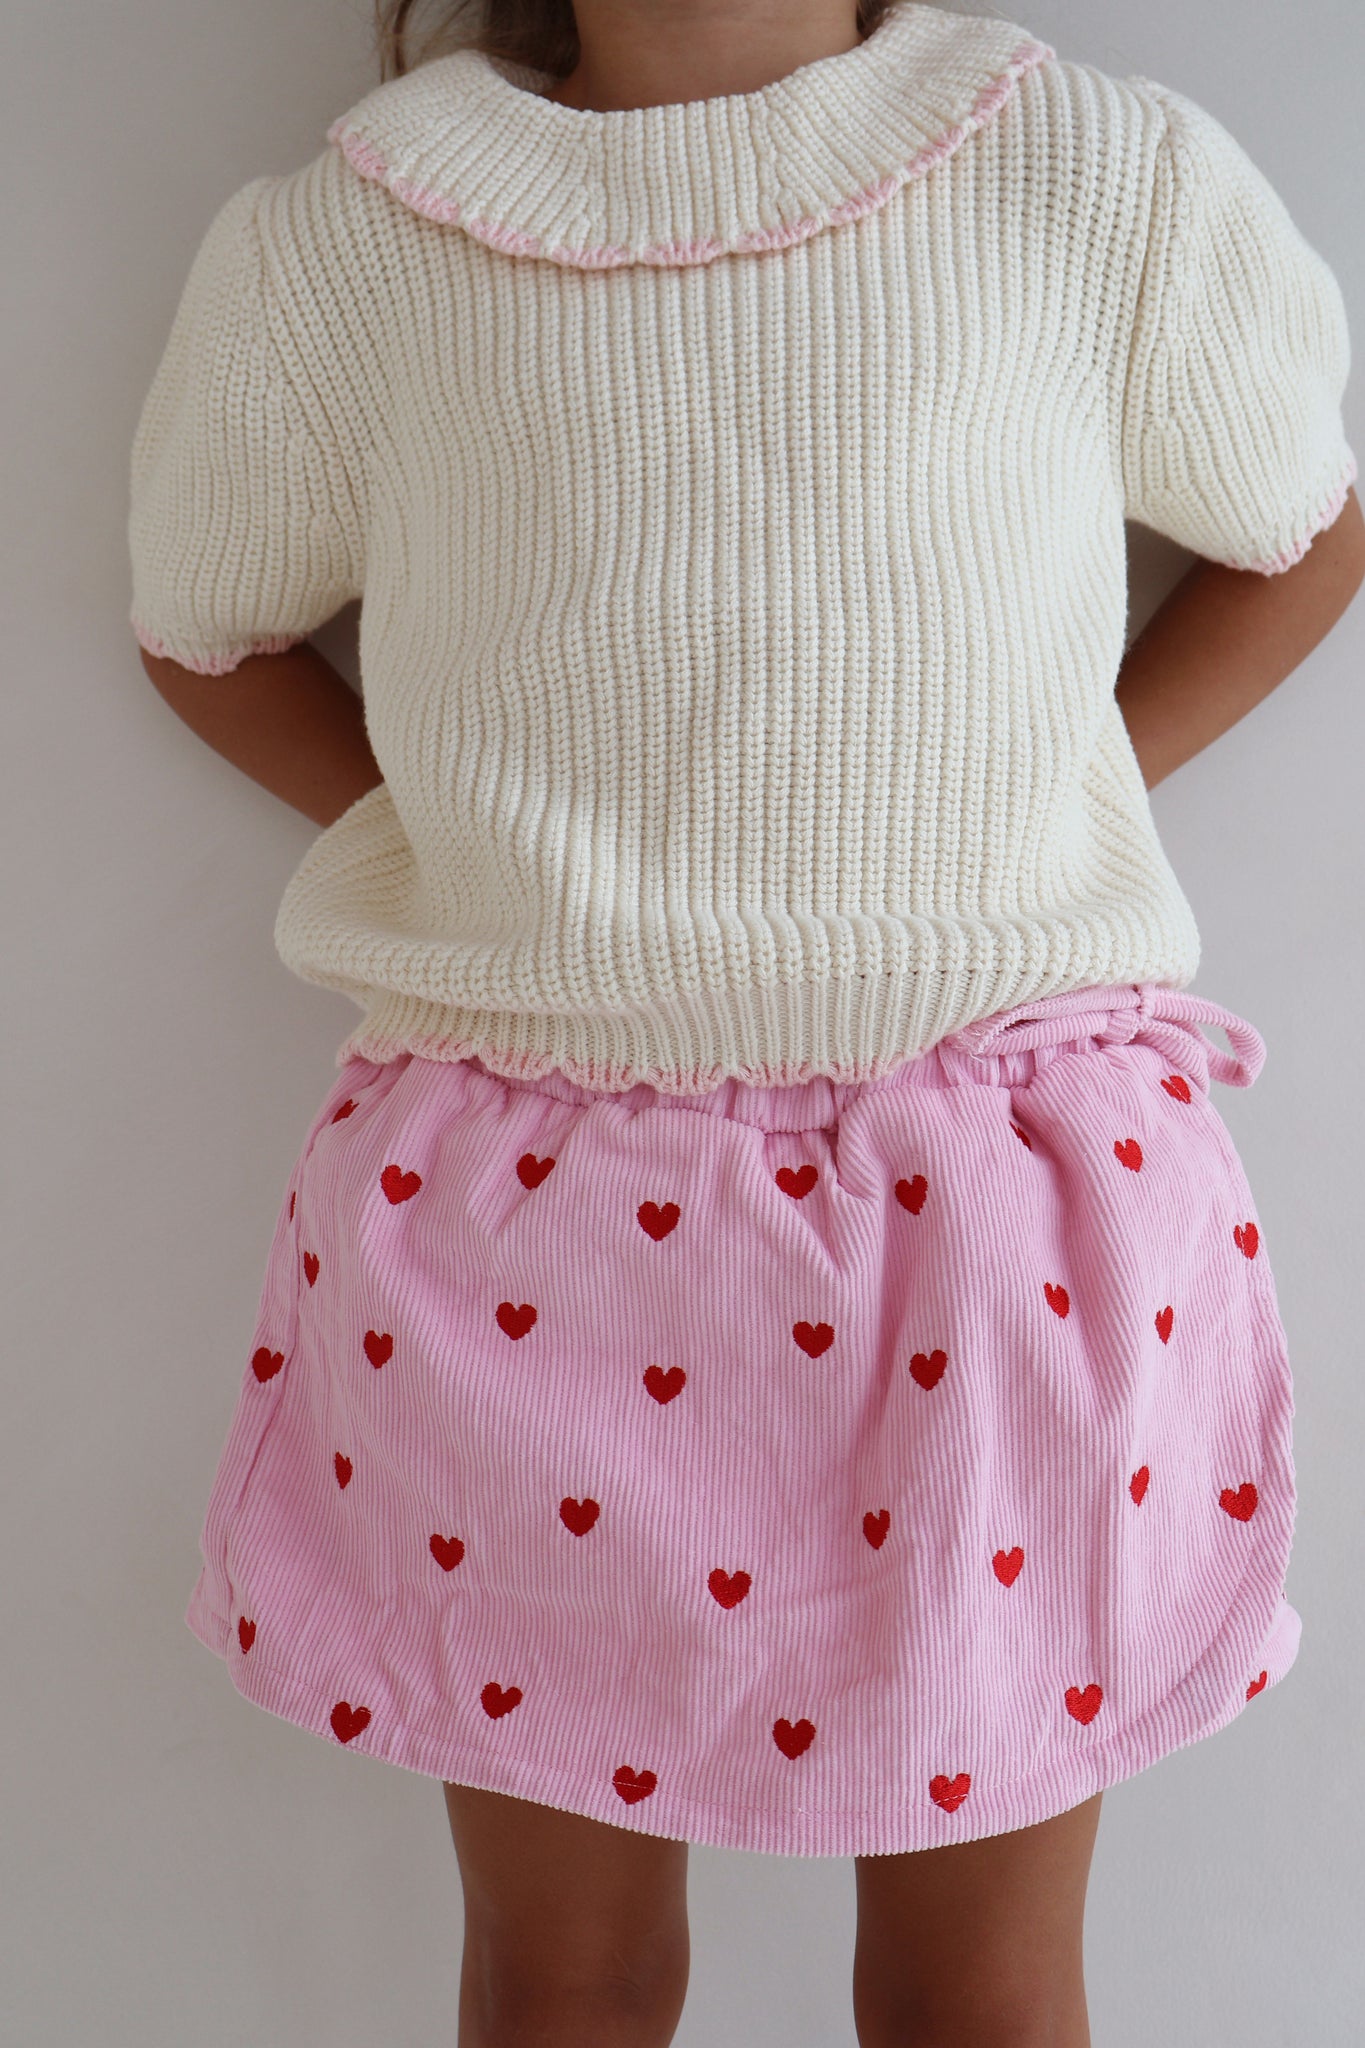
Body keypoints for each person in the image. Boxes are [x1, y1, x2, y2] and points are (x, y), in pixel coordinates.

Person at [127, 1, 1363, 2040]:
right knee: (567, 1988)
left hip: (993, 1220)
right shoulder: (351, 248)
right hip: (528, 1230)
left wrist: (1053, 799)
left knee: (978, 2003)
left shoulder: (1084, 176)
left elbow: (1298, 532)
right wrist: (472, 861)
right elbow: (204, 625)